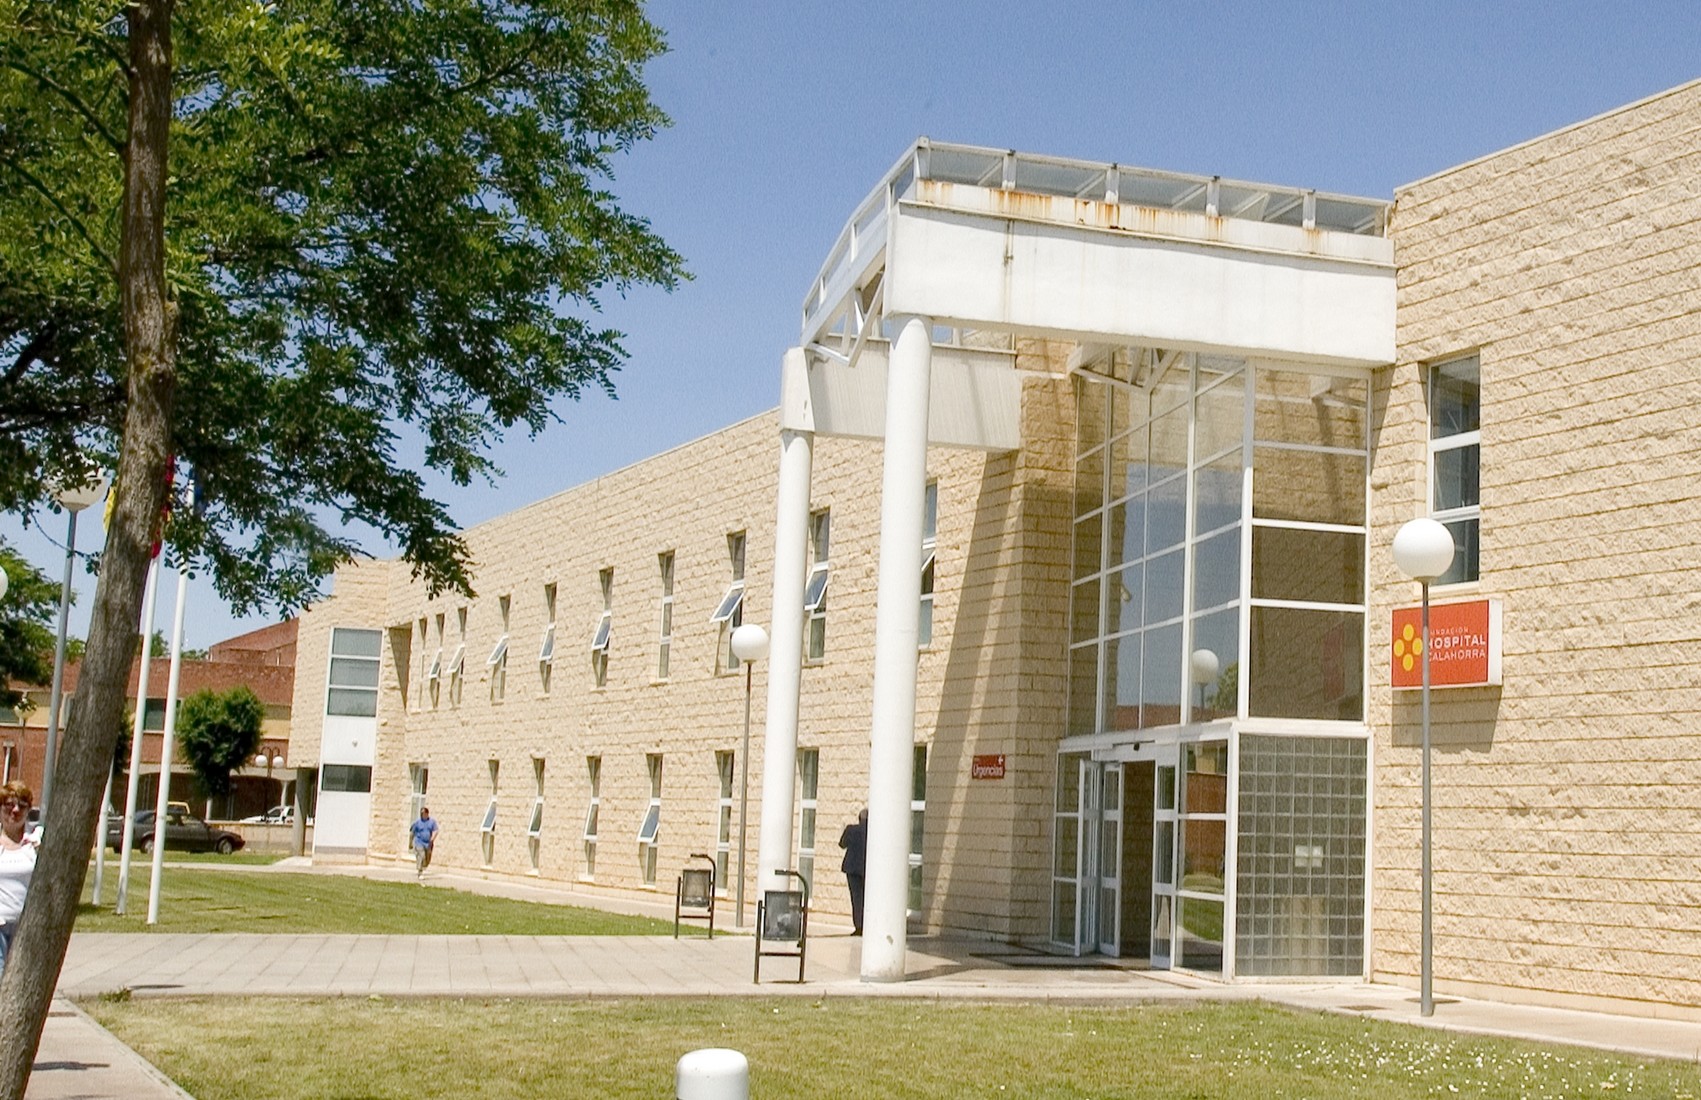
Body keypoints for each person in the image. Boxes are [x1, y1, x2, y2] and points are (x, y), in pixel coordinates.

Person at [0, 782, 39, 970]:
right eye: (9, 804)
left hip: (26, 926)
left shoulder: (36, 840)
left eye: (22, 806)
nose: (15, 810)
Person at [838, 807, 868, 935]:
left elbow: (842, 844)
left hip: (852, 869)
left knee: (856, 898)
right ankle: (867, 924)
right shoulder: (873, 832)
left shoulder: (851, 829)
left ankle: (859, 926)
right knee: (866, 898)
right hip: (866, 869)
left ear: (859, 818)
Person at [409, 806, 438, 879]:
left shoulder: (432, 822)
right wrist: (410, 843)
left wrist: (432, 839)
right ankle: (420, 872)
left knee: (427, 860)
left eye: (424, 813)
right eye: (421, 813)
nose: (422, 815)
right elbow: (412, 833)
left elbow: (435, 831)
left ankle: (422, 866)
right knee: (422, 856)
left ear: (427, 814)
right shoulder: (417, 822)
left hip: (428, 843)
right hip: (419, 842)